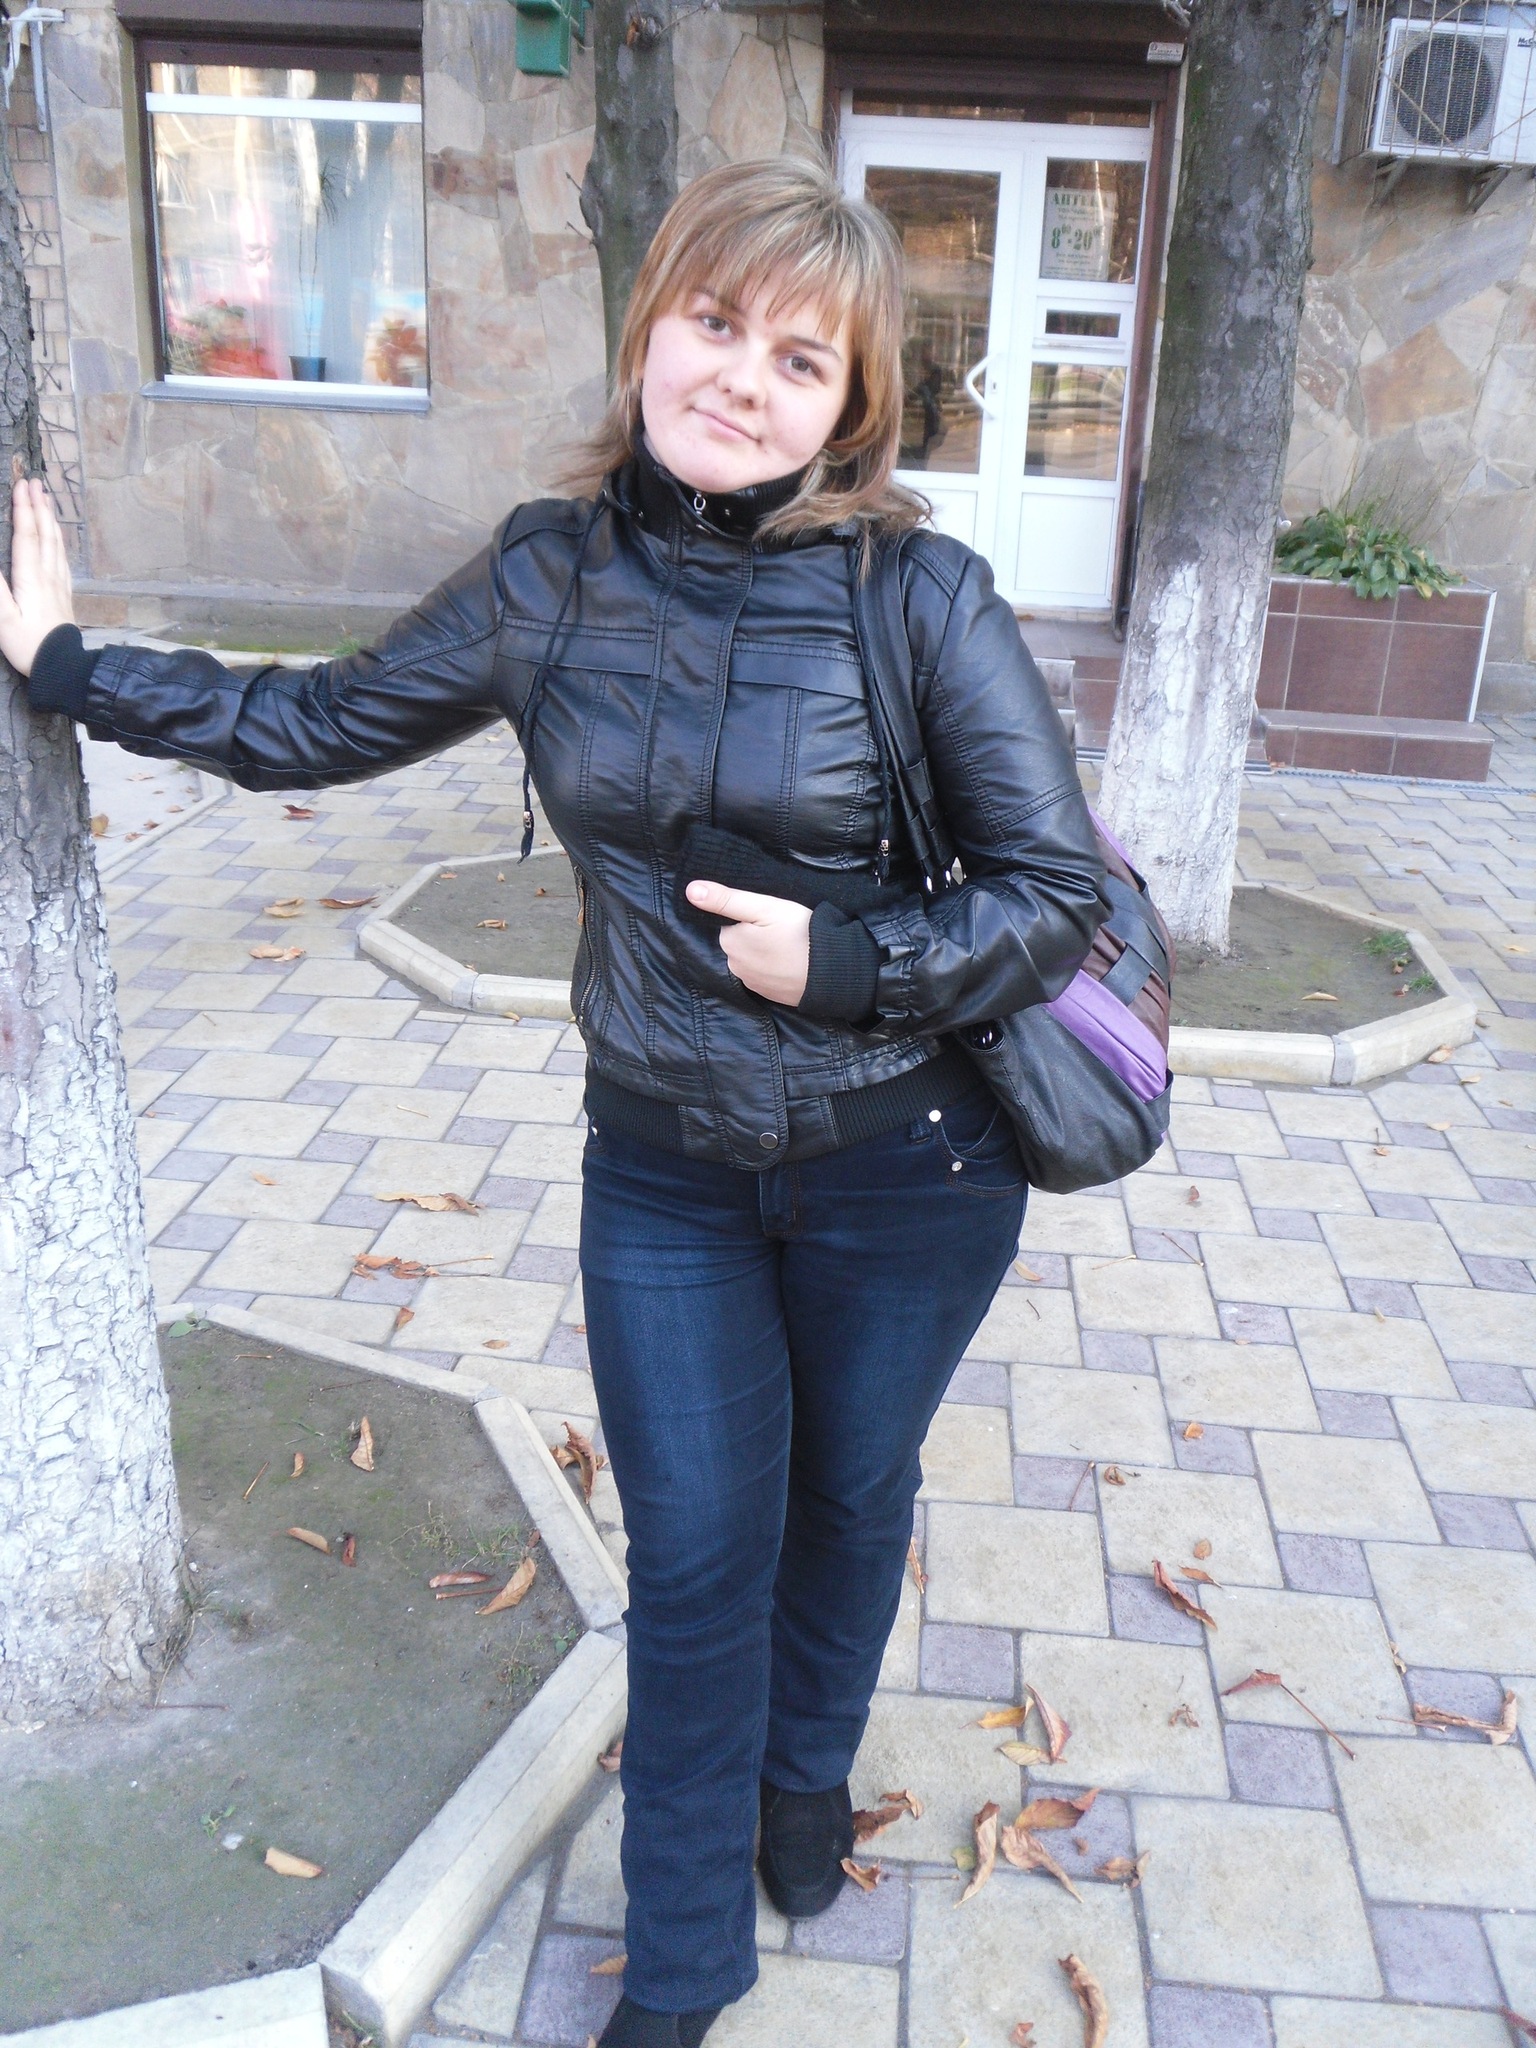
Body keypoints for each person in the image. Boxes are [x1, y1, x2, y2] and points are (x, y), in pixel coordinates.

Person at [3, 156, 1105, 2046]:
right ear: (650, 325)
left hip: (906, 1165)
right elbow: (313, 723)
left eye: (800, 358)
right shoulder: (550, 573)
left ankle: (803, 1783)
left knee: (849, 1497)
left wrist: (849, 964)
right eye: (716, 323)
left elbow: (1055, 894)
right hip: (664, 1174)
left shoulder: (918, 595)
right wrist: (65, 664)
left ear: (851, 408)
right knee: (695, 1562)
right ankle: (679, 1970)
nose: (742, 377)